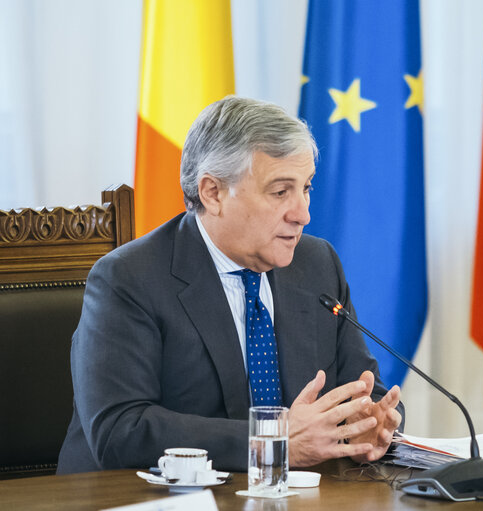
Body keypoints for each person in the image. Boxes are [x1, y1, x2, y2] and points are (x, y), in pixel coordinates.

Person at [57, 96, 403, 474]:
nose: (302, 214)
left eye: (306, 188)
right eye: (280, 192)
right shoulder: (128, 279)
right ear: (213, 193)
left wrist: (372, 425)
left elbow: (365, 390)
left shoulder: (317, 264)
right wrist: (272, 438)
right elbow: (120, 432)